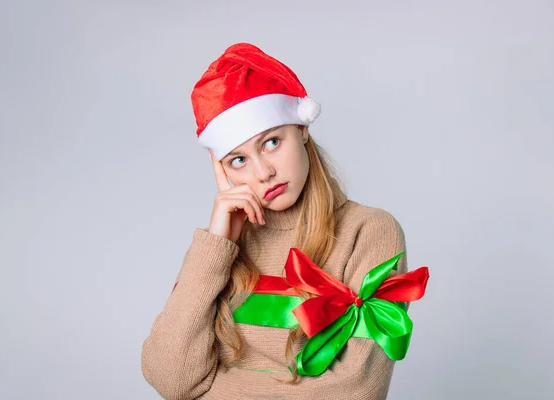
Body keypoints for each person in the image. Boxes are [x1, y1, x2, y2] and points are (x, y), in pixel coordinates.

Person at [141, 42, 425, 399]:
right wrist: (216, 247)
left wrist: (215, 390)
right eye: (238, 160)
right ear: (221, 170)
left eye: (271, 142)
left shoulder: (369, 232)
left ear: (302, 128)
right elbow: (171, 378)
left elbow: (355, 390)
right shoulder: (220, 248)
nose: (264, 173)